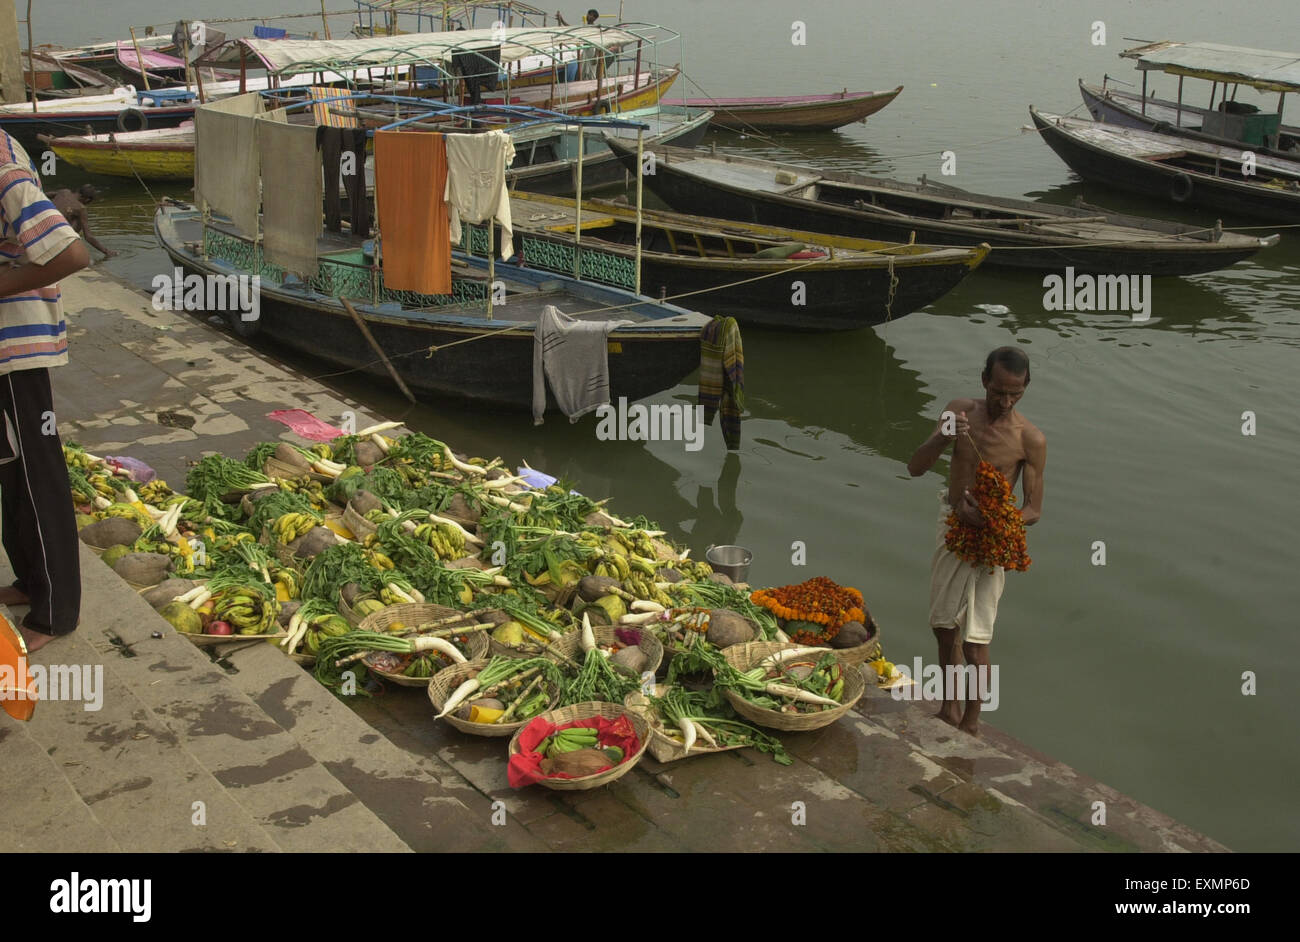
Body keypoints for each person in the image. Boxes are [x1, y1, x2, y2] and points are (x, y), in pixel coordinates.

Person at [906, 347, 1045, 736]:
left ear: (1025, 387)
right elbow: (916, 468)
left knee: (975, 640)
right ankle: (948, 710)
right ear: (984, 379)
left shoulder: (1030, 438)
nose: (1004, 402)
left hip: (992, 537)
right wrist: (942, 436)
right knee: (943, 627)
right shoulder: (960, 411)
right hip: (951, 524)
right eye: (998, 391)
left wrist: (991, 520)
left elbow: (1033, 509)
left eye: (1014, 394)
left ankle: (971, 722)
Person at [0, 132, 91, 653]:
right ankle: (29, 580)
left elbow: (70, 253)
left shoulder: (5, 171)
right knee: (10, 473)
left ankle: (56, 612)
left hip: (19, 348)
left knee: (37, 476)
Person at [48, 184, 117, 259]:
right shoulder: (81, 208)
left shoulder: (64, 191)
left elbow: (44, 195)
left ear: (78, 191)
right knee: (80, 220)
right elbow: (88, 237)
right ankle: (66, 245)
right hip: (55, 236)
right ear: (87, 200)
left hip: (42, 223)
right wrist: (106, 251)